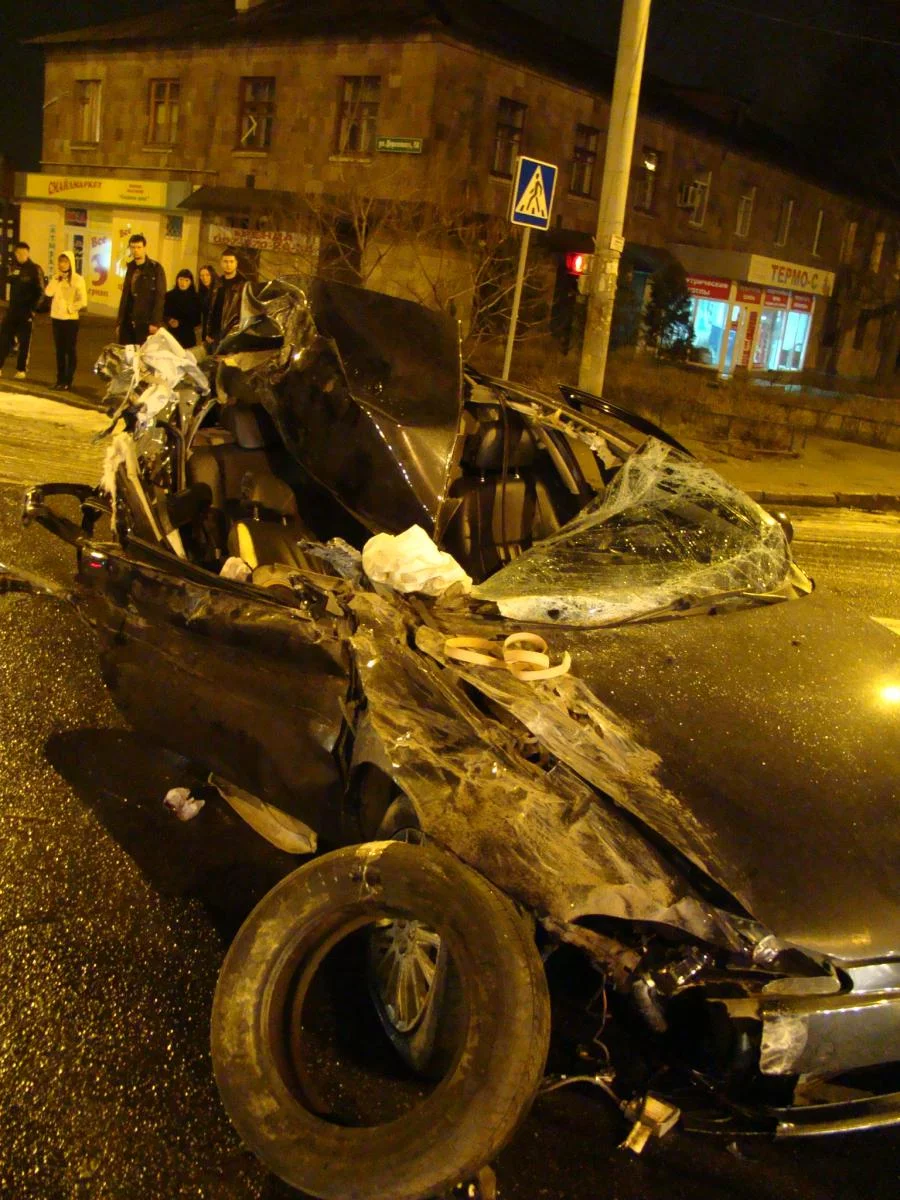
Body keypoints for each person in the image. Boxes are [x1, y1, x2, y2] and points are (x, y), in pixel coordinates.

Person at [0, 242, 46, 380]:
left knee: (25, 341)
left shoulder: (34, 269)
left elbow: (41, 292)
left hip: (26, 311)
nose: (20, 256)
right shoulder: (14, 268)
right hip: (13, 310)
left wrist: (33, 309)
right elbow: (7, 279)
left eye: (23, 253)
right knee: (4, 338)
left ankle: (21, 369)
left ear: (28, 253)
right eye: (18, 253)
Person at [44, 251, 87, 390]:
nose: (62, 264)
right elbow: (48, 292)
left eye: (65, 261)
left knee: (70, 350)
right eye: (61, 261)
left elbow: (83, 301)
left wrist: (70, 308)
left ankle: (68, 381)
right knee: (59, 351)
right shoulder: (56, 278)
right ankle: (59, 380)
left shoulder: (78, 279)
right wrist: (56, 280)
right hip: (57, 318)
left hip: (70, 319)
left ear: (71, 263)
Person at [116, 232, 166, 345]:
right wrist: (119, 322)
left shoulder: (155, 268)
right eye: (133, 247)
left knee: (143, 352)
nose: (136, 250)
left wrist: (155, 322)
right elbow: (125, 296)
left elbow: (160, 296)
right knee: (127, 352)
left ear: (144, 248)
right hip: (128, 320)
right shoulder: (131, 267)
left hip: (145, 321)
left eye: (139, 247)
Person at [205, 248, 246, 349]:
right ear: (221, 263)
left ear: (236, 263)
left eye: (231, 262)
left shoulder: (243, 284)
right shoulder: (217, 283)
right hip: (215, 334)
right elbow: (211, 309)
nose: (228, 265)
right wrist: (208, 332)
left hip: (233, 333)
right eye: (226, 261)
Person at [163, 269, 203, 349]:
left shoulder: (195, 298)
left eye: (186, 280)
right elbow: (163, 313)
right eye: (181, 279)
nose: (183, 283)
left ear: (191, 282)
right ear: (177, 280)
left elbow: (197, 320)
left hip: (187, 335)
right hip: (171, 334)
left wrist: (180, 322)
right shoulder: (169, 295)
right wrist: (169, 320)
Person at [197, 263, 217, 344]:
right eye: (202, 275)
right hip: (206, 331)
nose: (204, 278)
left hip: (216, 333)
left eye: (207, 275)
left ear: (212, 276)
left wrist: (212, 334)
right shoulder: (202, 292)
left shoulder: (218, 291)